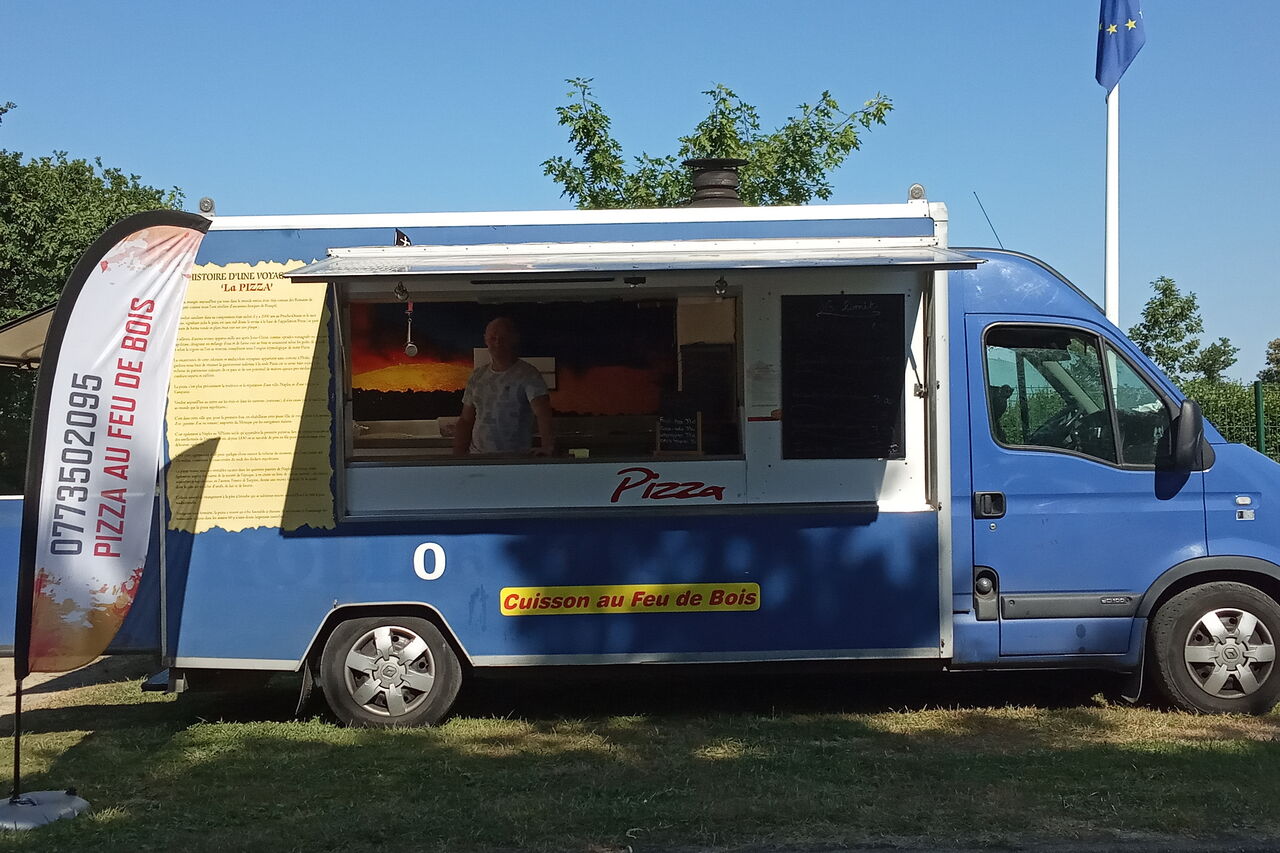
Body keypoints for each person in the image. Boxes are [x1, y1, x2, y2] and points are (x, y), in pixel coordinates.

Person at [453, 317, 555, 456]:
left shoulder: (528, 375)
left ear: (514, 339)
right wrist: (457, 457)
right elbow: (466, 419)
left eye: (503, 338)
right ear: (486, 340)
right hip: (478, 458)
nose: (497, 343)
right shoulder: (477, 376)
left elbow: (543, 413)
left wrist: (547, 447)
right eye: (492, 338)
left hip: (514, 460)